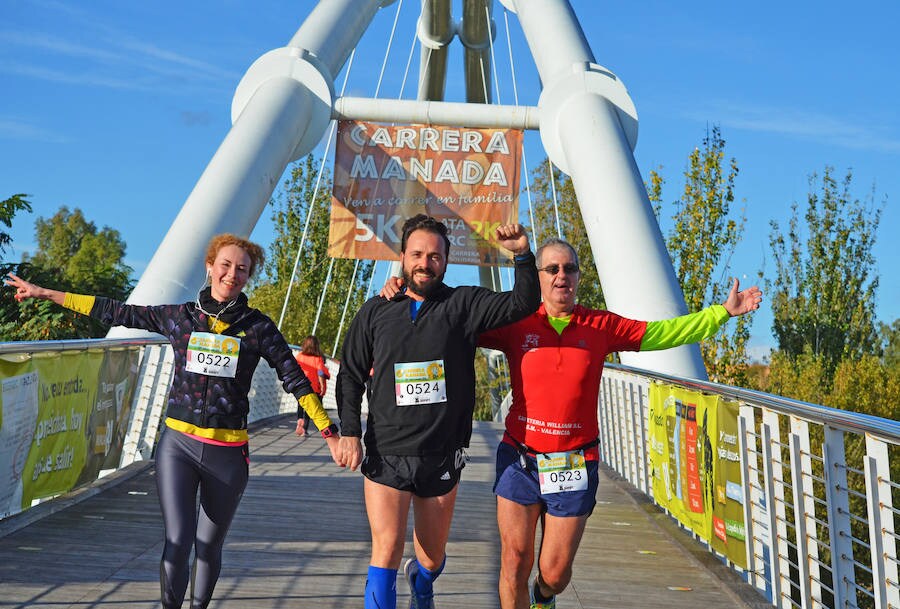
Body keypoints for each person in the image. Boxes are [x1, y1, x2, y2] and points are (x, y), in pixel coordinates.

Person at [381, 237, 763, 609]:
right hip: (520, 458)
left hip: (575, 462)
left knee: (555, 573)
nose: (561, 275)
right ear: (540, 277)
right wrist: (407, 293)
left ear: (579, 277)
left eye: (569, 268)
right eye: (552, 268)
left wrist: (722, 313)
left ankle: (543, 598)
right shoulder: (516, 323)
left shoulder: (600, 326)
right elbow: (448, 321)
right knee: (514, 560)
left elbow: (663, 333)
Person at [5, 234, 342, 609]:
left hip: (228, 453)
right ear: (210, 266)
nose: (232, 274)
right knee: (178, 540)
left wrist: (328, 431)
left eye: (242, 269)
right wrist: (47, 293)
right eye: (226, 265)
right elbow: (117, 312)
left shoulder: (258, 327)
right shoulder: (180, 317)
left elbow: (293, 377)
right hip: (178, 447)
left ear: (248, 278)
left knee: (209, 546)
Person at [335, 214, 540, 609]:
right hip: (387, 451)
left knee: (430, 557)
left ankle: (423, 581)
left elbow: (523, 303)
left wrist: (522, 255)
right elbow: (350, 375)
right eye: (416, 254)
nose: (424, 263)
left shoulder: (463, 304)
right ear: (402, 257)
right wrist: (349, 431)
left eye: (434, 256)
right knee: (386, 549)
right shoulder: (375, 311)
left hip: (441, 454)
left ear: (446, 261)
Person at [294, 335, 331, 436]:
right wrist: (323, 387)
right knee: (311, 409)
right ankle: (304, 429)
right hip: (313, 388)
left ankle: (299, 420)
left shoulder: (299, 356)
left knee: (301, 405)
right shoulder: (317, 359)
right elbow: (320, 373)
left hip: (300, 385)